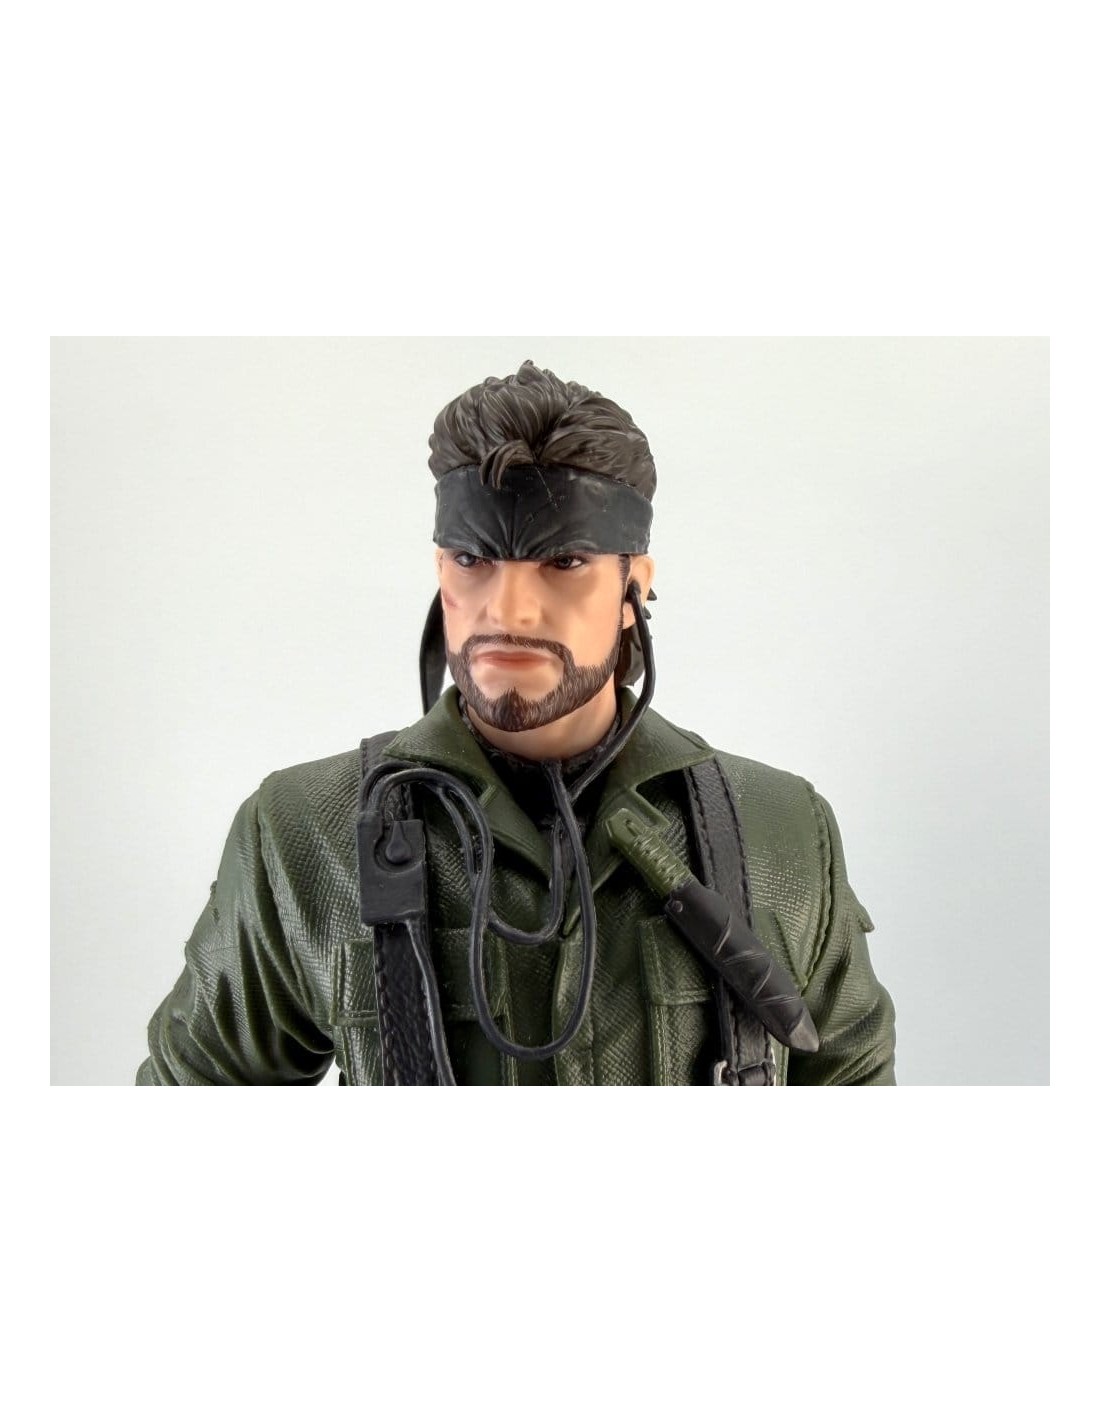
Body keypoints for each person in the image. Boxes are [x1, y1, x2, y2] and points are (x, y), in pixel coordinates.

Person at [137, 360, 895, 1086]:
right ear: (441, 570)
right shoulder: (305, 834)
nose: (507, 609)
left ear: (633, 588)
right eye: (473, 560)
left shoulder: (780, 832)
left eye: (564, 562)